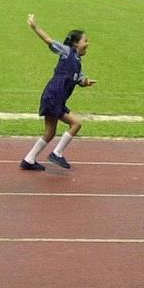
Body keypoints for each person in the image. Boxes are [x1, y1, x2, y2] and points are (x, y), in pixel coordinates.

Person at [20, 13, 94, 171]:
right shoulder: (66, 52)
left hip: (57, 99)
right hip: (53, 96)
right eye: (85, 41)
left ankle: (29, 159)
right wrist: (35, 26)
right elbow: (48, 40)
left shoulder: (78, 63)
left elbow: (79, 80)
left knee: (50, 132)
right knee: (76, 124)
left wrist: (85, 82)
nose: (87, 43)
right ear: (75, 43)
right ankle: (57, 153)